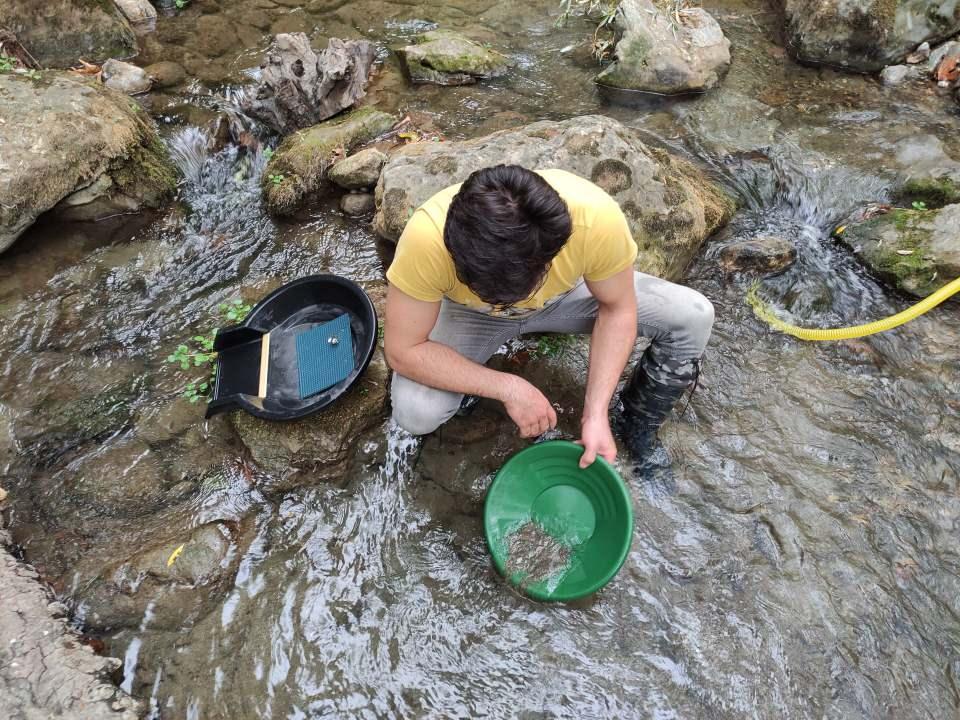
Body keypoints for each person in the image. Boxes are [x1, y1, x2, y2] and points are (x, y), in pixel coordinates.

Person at [383, 164, 714, 468]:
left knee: (693, 316)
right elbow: (403, 350)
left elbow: (617, 308)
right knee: (415, 410)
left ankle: (635, 423)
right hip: (470, 313)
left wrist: (595, 412)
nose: (521, 298)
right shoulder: (427, 239)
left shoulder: (593, 219)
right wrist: (506, 387)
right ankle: (469, 385)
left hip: (566, 297)